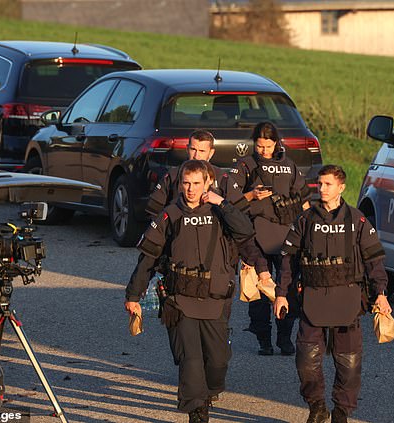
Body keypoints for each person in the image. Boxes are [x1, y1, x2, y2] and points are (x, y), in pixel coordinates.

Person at [125, 160, 255, 423]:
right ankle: (197, 411)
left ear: (208, 183)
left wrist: (222, 203)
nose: (191, 189)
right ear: (180, 183)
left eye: (197, 183)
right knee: (191, 359)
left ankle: (210, 391)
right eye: (186, 183)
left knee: (217, 361)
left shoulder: (220, 211)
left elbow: (245, 230)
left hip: (215, 298)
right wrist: (133, 296)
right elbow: (148, 258)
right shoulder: (170, 215)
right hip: (180, 299)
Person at [273, 165, 392, 423]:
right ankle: (316, 407)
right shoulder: (304, 220)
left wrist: (380, 293)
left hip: (348, 302)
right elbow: (287, 260)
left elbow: (374, 260)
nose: (322, 189)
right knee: (306, 361)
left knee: (349, 366)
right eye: (320, 184)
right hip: (312, 300)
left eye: (328, 184)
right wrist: (281, 293)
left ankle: (341, 412)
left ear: (341, 187)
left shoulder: (357, 220)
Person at [224, 121, 311, 356]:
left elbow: (303, 199)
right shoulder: (246, 165)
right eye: (260, 146)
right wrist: (251, 195)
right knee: (260, 287)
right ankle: (263, 338)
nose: (264, 151)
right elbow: (229, 200)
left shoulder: (289, 166)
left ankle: (284, 337)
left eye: (268, 146)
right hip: (256, 234)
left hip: (286, 235)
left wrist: (308, 230)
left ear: (276, 143)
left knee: (287, 286)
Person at [146, 129, 226, 217]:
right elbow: (153, 211)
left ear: (211, 153)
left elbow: (238, 213)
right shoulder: (173, 175)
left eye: (202, 151)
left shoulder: (221, 176)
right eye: (193, 149)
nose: (196, 156)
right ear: (187, 149)